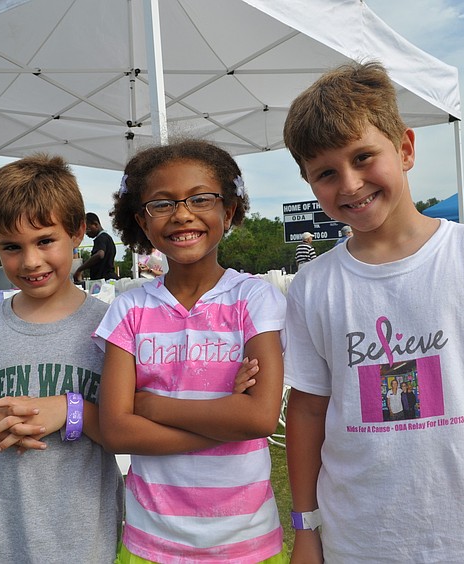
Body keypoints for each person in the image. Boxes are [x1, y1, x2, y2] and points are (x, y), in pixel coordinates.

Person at [281, 61, 464, 563]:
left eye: (364, 157)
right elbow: (307, 411)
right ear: (310, 182)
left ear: (406, 148)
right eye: (326, 172)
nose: (349, 184)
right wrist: (306, 530)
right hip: (357, 541)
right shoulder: (312, 286)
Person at [93, 139, 287, 564]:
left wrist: (149, 405)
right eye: (161, 204)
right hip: (150, 543)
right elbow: (117, 432)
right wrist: (225, 419)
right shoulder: (130, 309)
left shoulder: (254, 300)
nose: (182, 213)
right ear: (142, 223)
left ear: (229, 211)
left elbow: (259, 418)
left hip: (247, 543)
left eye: (201, 198)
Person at [0, 154, 123, 562]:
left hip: (84, 542)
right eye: (12, 247)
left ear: (77, 232)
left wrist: (71, 410)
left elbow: (126, 434)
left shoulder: (111, 328)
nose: (30, 261)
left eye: (45, 240)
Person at [75, 212, 117, 281]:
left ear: (95, 224)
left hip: (102, 279)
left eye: (87, 229)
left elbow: (100, 254)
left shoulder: (100, 238)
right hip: (109, 277)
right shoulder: (108, 238)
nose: (87, 233)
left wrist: (80, 269)